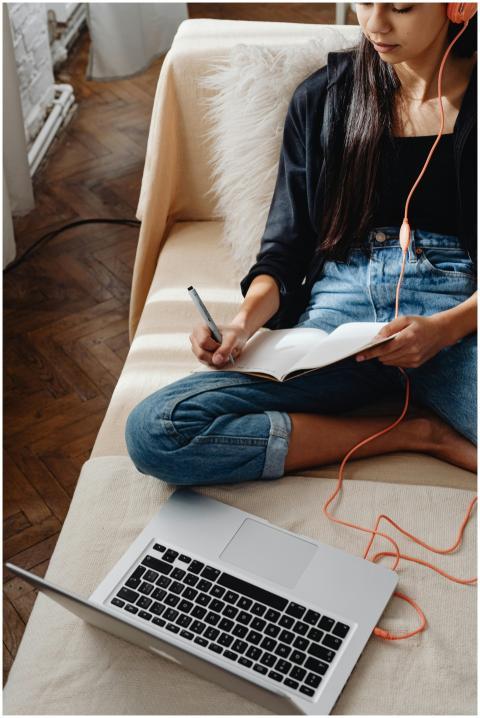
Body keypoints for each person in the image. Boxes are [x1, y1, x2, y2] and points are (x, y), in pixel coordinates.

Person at [125, 3, 477, 486]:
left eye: (400, 6)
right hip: (339, 318)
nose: (375, 24)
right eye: (364, 2)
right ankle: (412, 434)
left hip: (458, 319)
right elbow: (284, 251)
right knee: (157, 430)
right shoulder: (322, 98)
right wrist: (243, 323)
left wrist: (443, 330)